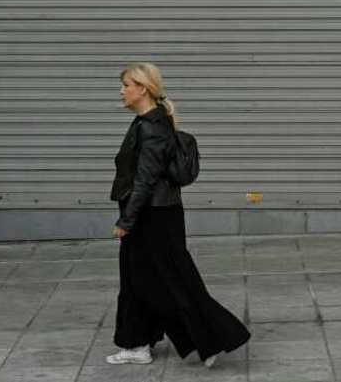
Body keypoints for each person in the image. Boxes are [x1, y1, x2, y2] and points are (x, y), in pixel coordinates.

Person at [107, 62, 250, 367]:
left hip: (151, 215)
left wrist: (126, 221)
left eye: (126, 85)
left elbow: (144, 180)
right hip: (155, 212)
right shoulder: (148, 121)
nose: (121, 91)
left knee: (167, 280)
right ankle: (139, 343)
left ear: (142, 89)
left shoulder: (152, 127)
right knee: (144, 279)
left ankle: (212, 338)